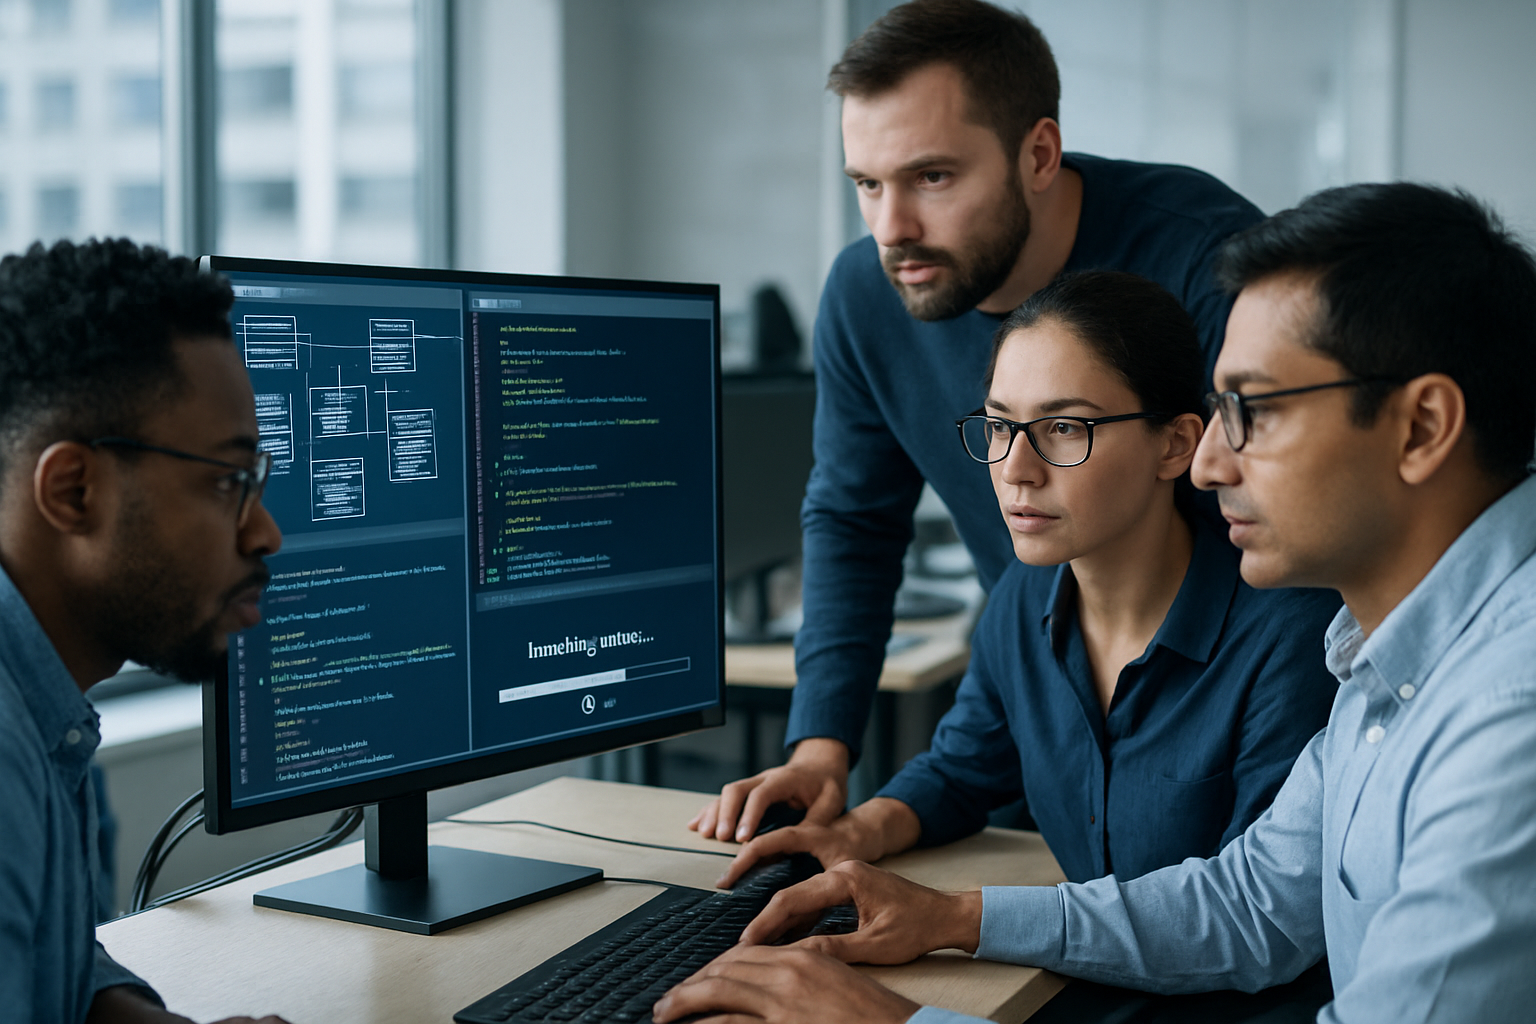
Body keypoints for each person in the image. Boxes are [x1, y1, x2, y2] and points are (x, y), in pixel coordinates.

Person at [655, 183, 1536, 1024]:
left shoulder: (1507, 720)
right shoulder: (1388, 662)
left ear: (1421, 427)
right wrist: (953, 917)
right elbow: (1253, 906)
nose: (1211, 465)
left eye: (1254, 412)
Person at [691, 0, 1264, 843]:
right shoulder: (865, 294)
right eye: (867, 185)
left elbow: (1281, 511)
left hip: (1229, 714)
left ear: (1038, 154)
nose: (893, 230)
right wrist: (821, 749)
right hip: (1041, 697)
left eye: (932, 178)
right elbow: (855, 519)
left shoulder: (1210, 262)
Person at [713, 270, 1339, 905]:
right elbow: (961, 771)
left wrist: (959, 920)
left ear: (1177, 444)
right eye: (998, 425)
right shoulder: (1024, 598)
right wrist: (851, 835)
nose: (1015, 470)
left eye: (1064, 428)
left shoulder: (1288, 635)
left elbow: (1252, 917)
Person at [0, 238, 290, 1024]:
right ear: (73, 489)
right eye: (228, 481)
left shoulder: (49, 710)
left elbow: (52, 964)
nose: (265, 533)